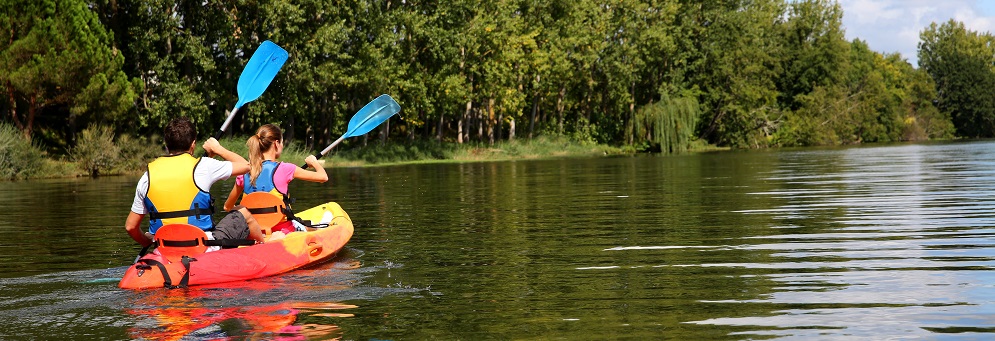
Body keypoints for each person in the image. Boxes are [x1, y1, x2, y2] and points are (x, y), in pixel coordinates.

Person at [124, 117, 266, 250]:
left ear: (167, 145)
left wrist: (148, 241)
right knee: (242, 212)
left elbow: (131, 227)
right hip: (202, 247)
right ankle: (264, 248)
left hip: (165, 248)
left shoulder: (147, 176)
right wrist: (218, 149)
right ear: (193, 144)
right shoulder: (204, 166)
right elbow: (247, 166)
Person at [223, 124, 327, 235]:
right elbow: (323, 177)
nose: (282, 146)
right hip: (284, 230)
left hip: (255, 233)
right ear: (276, 144)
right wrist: (314, 162)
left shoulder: (243, 173)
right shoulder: (286, 169)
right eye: (282, 143)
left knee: (302, 224)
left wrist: (246, 211)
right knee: (311, 226)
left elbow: (227, 207)